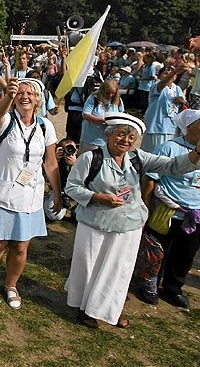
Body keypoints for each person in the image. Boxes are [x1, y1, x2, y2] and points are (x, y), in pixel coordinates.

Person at [64, 113, 200, 328]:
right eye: (120, 135)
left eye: (131, 137)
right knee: (91, 266)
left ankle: (110, 309)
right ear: (109, 135)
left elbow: (172, 166)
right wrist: (99, 197)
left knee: (120, 270)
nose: (125, 141)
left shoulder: (138, 157)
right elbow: (72, 187)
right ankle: (86, 307)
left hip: (129, 226)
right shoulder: (91, 158)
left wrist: (197, 153)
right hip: (95, 224)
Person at [0, 77, 61, 310]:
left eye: (30, 93)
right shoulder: (5, 120)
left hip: (30, 196)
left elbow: (51, 162)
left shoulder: (45, 126)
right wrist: (7, 95)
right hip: (2, 193)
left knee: (21, 246)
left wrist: (57, 193)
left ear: (38, 100)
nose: (25, 96)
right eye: (20, 93)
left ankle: (11, 285)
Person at [132, 110, 200, 309]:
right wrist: (146, 207)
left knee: (186, 253)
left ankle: (173, 288)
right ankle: (148, 284)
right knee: (157, 250)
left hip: (195, 213)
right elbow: (150, 180)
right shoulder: (170, 148)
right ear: (191, 126)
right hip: (168, 211)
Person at [141, 65, 188, 152]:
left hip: (172, 127)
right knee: (153, 153)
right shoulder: (156, 85)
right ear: (159, 76)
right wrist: (174, 72)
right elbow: (163, 83)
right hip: (156, 126)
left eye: (172, 74)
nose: (169, 75)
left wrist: (181, 101)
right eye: (165, 73)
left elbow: (184, 105)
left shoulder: (177, 89)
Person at [79, 79, 125, 154]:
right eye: (107, 93)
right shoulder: (93, 98)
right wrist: (105, 121)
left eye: (113, 93)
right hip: (91, 140)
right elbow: (85, 115)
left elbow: (121, 115)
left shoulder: (118, 101)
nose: (110, 95)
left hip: (109, 141)